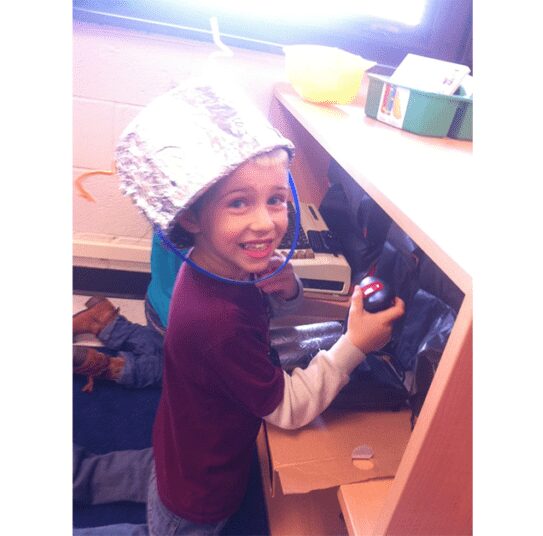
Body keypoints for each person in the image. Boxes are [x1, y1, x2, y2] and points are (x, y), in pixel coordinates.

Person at [76, 79, 405, 535]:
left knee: (150, 475)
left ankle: (78, 477)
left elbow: (262, 317)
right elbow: (290, 408)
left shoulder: (212, 262)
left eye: (276, 200)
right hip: (200, 492)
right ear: (191, 217)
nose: (265, 222)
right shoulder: (216, 321)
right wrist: (355, 344)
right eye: (239, 203)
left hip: (181, 445)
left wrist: (287, 288)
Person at [72, 236, 183, 392]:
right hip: (194, 323)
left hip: (160, 302)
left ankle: (106, 323)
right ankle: (111, 367)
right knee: (185, 372)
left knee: (162, 345)